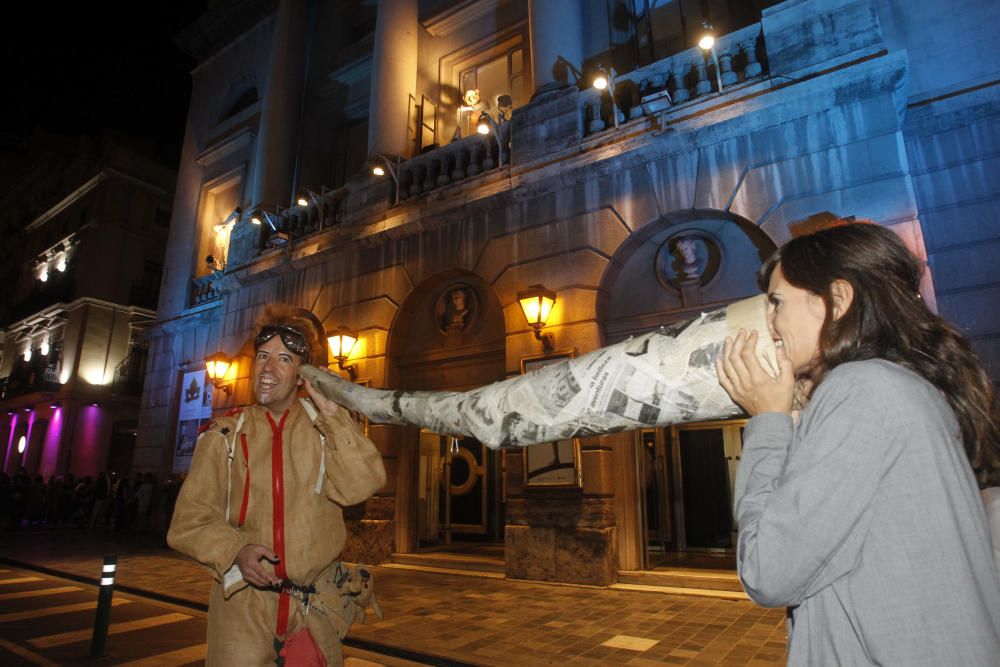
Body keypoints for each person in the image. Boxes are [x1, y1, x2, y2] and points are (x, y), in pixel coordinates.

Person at [715, 223, 1000, 665]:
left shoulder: (862, 388)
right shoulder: (898, 384)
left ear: (838, 299)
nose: (769, 325)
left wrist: (769, 422)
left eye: (777, 304)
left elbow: (768, 570)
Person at [168, 304, 385, 666]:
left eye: (284, 359)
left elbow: (361, 486)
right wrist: (234, 550)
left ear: (304, 375)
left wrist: (334, 416)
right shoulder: (224, 436)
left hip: (315, 609)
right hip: (243, 609)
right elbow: (188, 523)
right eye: (263, 356)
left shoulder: (325, 431)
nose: (267, 369)